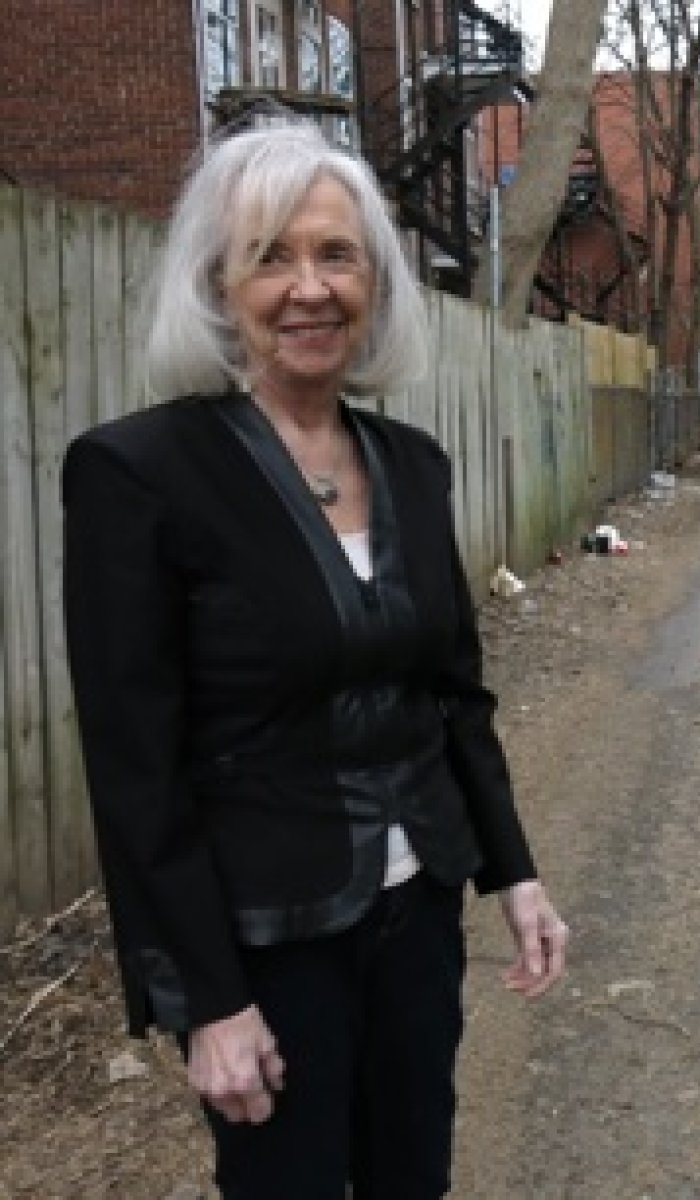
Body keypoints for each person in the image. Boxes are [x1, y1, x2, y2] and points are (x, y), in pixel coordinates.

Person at [62, 118, 568, 1199]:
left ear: (374, 283)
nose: (309, 288)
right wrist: (206, 1000)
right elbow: (134, 769)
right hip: (265, 943)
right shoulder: (141, 474)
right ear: (219, 286)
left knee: (411, 1176)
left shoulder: (414, 465)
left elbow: (453, 695)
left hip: (417, 907)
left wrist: (512, 872)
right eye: (271, 257)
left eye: (336, 255)